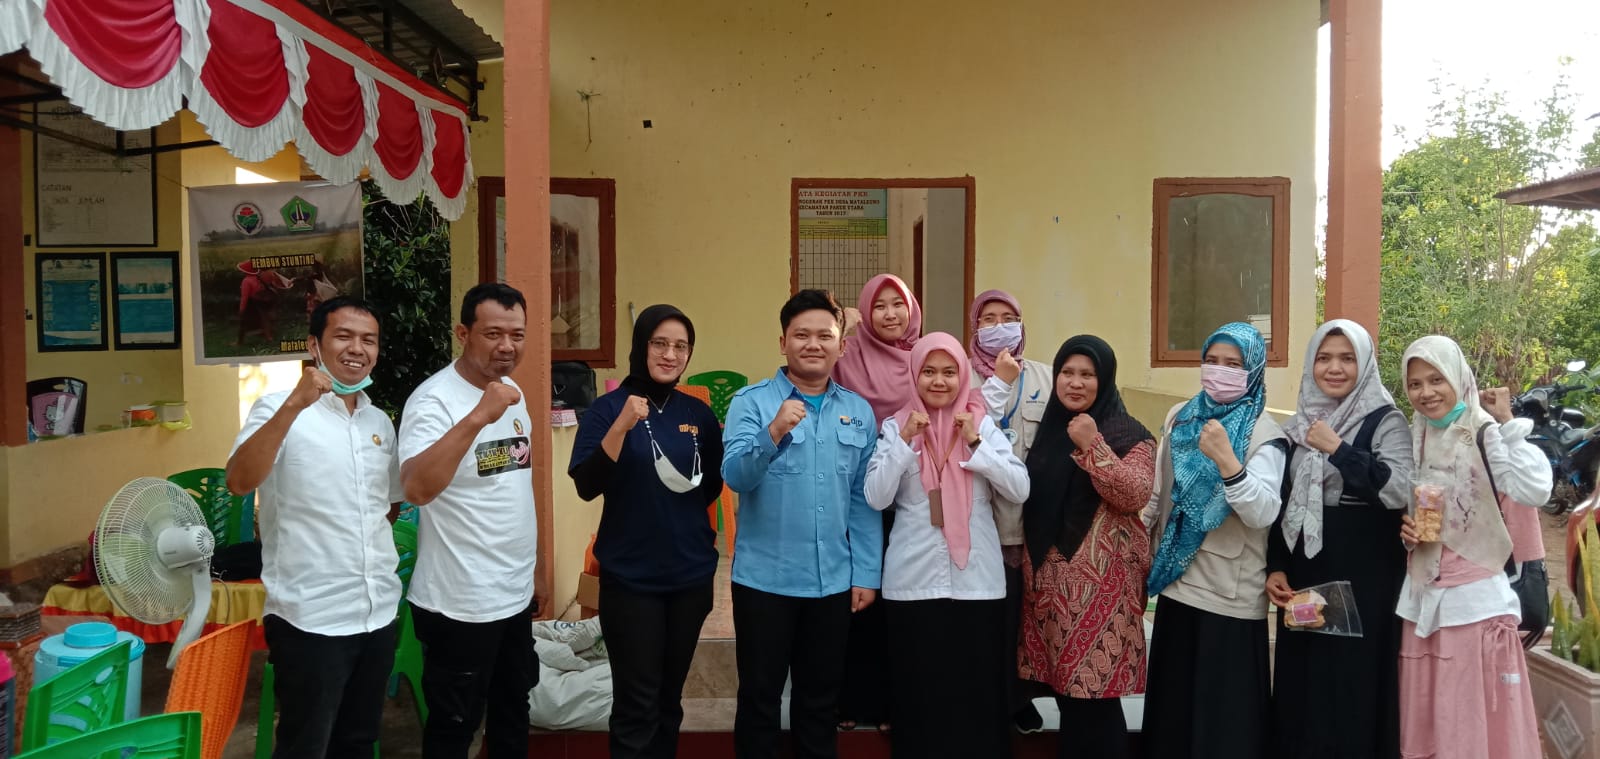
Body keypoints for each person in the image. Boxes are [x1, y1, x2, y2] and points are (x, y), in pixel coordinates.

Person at [225, 296, 400, 759]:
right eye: (344, 336)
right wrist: (294, 405)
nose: (357, 349)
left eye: (369, 340)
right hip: (310, 617)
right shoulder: (275, 408)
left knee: (358, 741)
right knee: (305, 745)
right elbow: (239, 481)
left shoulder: (379, 422)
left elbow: (388, 505)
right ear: (314, 345)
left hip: (378, 611)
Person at [723, 289, 881, 759]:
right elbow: (735, 477)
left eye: (824, 336)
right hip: (763, 582)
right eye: (801, 335)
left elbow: (863, 501)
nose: (813, 344)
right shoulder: (751, 403)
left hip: (831, 583)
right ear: (783, 342)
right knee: (760, 700)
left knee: (819, 703)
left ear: (841, 346)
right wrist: (773, 432)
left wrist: (866, 573)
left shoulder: (859, 412)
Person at [568, 304, 725, 758]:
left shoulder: (698, 413)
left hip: (689, 579)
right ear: (641, 346)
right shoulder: (606, 410)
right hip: (631, 581)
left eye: (681, 346)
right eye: (660, 343)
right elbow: (586, 485)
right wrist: (621, 427)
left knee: (668, 703)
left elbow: (710, 486)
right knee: (636, 706)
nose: (670, 355)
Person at [863, 332, 1029, 758]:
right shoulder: (895, 426)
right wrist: (905, 441)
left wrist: (975, 443)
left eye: (950, 372)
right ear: (914, 375)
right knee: (920, 695)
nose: (939, 381)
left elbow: (1019, 488)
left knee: (976, 697)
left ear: (963, 376)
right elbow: (876, 496)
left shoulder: (982, 424)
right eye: (929, 372)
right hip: (912, 583)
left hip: (977, 584)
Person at [398, 283, 539, 759]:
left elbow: (511, 487)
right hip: (459, 603)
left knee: (513, 714)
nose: (507, 346)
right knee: (454, 728)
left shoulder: (514, 394)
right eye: (493, 333)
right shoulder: (433, 401)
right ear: (463, 334)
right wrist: (478, 416)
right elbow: (416, 488)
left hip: (513, 595)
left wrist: (533, 573)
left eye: (517, 335)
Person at [1395, 336, 1550, 759]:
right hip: (1424, 596)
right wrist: (1408, 531)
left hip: (1474, 603)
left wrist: (1508, 423)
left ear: (1458, 377)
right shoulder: (1418, 433)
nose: (1426, 393)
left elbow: (1533, 489)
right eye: (1415, 384)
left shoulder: (1483, 431)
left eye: (1436, 380)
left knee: (1470, 718)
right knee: (1433, 719)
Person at [1265, 320, 1412, 759]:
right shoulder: (1298, 425)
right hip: (1307, 572)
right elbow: (1285, 501)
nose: (1334, 368)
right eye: (1324, 358)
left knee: (1353, 683)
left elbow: (1398, 490)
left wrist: (1338, 449)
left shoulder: (1385, 420)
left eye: (1347, 358)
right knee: (1304, 680)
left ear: (1364, 365)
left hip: (1365, 575)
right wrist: (1277, 565)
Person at [1141, 322, 1286, 759]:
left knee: (1222, 728)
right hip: (1176, 585)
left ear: (1253, 370)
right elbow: (1158, 492)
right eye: (1212, 360)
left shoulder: (1265, 433)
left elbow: (1263, 511)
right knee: (1172, 720)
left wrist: (1227, 460)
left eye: (1233, 364)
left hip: (1229, 597)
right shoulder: (1182, 416)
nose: (1220, 371)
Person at [1018, 335, 1156, 759]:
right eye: (1067, 372)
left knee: (1096, 702)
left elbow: (1134, 494)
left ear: (1105, 379)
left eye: (1088, 374)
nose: (1075, 383)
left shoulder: (1129, 434)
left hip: (1102, 596)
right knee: (1068, 699)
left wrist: (1093, 446)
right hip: (1048, 593)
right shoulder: (1048, 430)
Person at [832, 273, 922, 732]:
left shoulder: (926, 359)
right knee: (856, 600)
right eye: (879, 306)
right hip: (854, 495)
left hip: (913, 502)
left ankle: (892, 704)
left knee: (898, 604)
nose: (890, 314)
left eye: (897, 304)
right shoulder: (846, 355)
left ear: (912, 309)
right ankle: (849, 700)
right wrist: (843, 326)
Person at [966, 288, 1052, 731]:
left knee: (1025, 617)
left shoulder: (1045, 377)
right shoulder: (959, 374)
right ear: (974, 326)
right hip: (978, 521)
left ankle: (1018, 700)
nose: (999, 326)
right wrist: (997, 381)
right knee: (985, 619)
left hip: (1029, 522)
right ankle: (982, 698)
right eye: (988, 319)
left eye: (1008, 317)